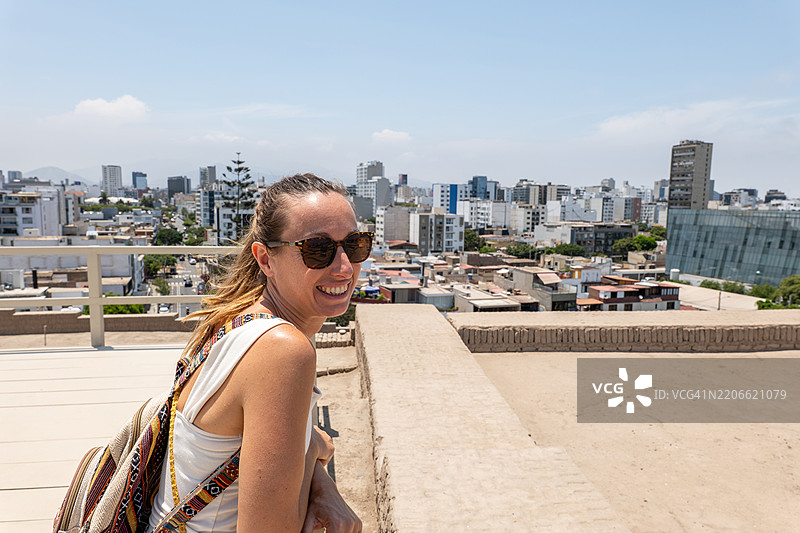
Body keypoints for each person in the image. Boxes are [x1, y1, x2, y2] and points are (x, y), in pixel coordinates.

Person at [146, 174, 367, 532]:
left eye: (355, 245)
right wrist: (313, 452)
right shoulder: (283, 351)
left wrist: (316, 471)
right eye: (318, 249)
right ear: (266, 259)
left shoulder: (235, 318)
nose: (344, 267)